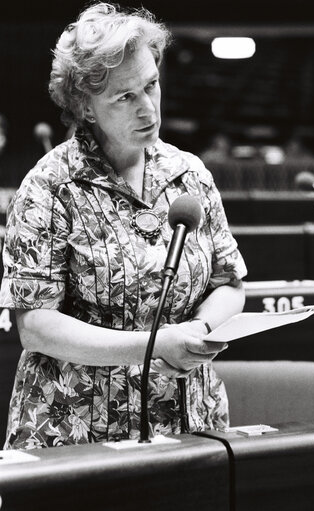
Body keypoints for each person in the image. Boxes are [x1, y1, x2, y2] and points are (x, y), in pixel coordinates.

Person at [0, 2, 247, 450]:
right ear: (85, 107)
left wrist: (199, 333)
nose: (148, 108)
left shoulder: (190, 174)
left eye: (151, 85)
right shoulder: (50, 185)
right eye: (125, 97)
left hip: (188, 421)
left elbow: (229, 284)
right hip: (76, 430)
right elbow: (34, 324)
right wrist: (152, 347)